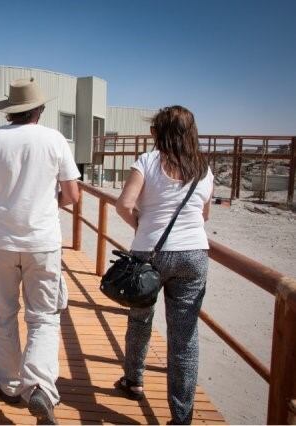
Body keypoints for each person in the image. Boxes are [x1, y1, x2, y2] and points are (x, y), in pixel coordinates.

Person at [0, 77, 80, 424]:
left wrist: (1, 203)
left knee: (2, 312)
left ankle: (9, 383)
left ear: (11, 110)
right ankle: (41, 387)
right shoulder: (55, 140)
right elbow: (73, 195)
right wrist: (44, 206)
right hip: (43, 243)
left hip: (0, 240)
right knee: (43, 316)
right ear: (40, 110)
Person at [114, 105, 214, 425]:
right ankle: (181, 417)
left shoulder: (147, 161)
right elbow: (204, 216)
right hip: (194, 254)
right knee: (184, 338)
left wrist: (144, 227)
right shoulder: (204, 168)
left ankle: (133, 380)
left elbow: (124, 205)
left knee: (140, 320)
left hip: (151, 254)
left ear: (159, 131)